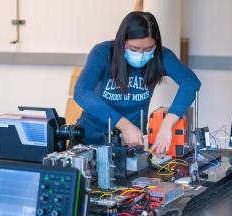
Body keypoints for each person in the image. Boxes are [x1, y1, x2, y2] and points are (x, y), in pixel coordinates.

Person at [74, 11, 201, 154]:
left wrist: (168, 123)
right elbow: (81, 92)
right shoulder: (103, 53)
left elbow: (191, 82)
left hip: (131, 144)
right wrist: (124, 125)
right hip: (89, 140)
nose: (141, 55)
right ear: (122, 42)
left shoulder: (161, 56)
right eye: (134, 49)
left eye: (148, 49)